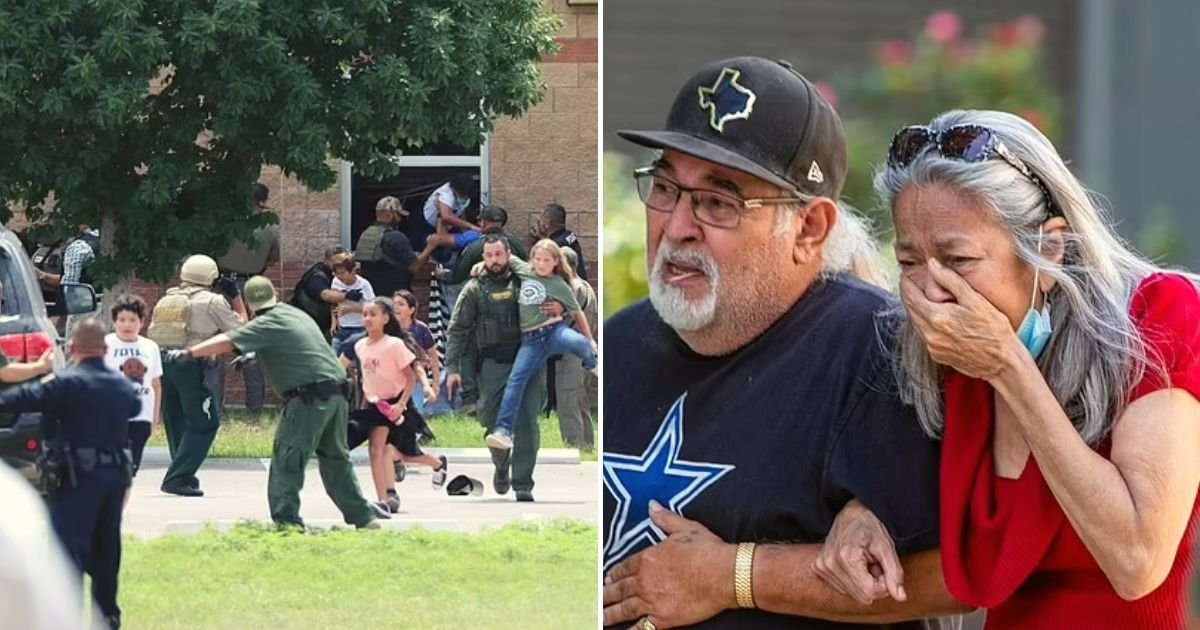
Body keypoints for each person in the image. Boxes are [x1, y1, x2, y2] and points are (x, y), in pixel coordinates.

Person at [601, 57, 965, 629]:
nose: (676, 227)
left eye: (718, 202)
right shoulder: (619, 343)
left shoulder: (880, 349)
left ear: (810, 229)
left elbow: (952, 577)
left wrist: (733, 575)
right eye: (666, 187)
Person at [812, 110, 1200, 628]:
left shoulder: (1160, 317)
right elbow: (909, 498)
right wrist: (863, 510)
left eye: (959, 260)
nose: (932, 291)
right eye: (909, 262)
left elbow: (1136, 560)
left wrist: (1009, 368)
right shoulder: (944, 362)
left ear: (1049, 249)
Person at [168, 275, 387, 528]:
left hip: (308, 398)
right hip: (337, 395)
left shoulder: (267, 322)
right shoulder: (295, 315)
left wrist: (187, 353)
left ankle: (287, 523)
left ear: (250, 305)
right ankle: (363, 518)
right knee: (336, 460)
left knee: (288, 458)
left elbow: (230, 339)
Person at [0, 318, 140, 629]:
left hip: (76, 478)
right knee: (107, 554)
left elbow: (19, 400)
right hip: (114, 479)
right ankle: (108, 618)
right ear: (105, 350)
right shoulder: (122, 386)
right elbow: (131, 411)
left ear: (73, 348)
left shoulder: (65, 384)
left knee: (67, 554)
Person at [446, 237, 564, 503]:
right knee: (490, 420)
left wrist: (559, 306)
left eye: (499, 254)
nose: (494, 260)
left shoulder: (526, 282)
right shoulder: (474, 289)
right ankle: (501, 465)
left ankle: (523, 483)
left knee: (526, 423)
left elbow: (556, 290)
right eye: (488, 255)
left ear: (509, 255)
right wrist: (452, 367)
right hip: (492, 364)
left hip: (529, 360)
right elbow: (457, 330)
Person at [480, 239, 597, 450]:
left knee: (579, 343)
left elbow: (577, 313)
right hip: (531, 340)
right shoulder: (526, 271)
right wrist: (481, 265)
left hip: (553, 330)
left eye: (546, 260)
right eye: (538, 259)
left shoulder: (561, 285)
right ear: (532, 259)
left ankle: (593, 363)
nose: (541, 263)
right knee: (516, 381)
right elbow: (505, 256)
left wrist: (590, 341)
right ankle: (504, 431)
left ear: (556, 262)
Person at [147, 254, 243, 497]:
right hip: (190, 365)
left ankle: (184, 475)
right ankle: (177, 477)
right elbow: (241, 332)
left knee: (176, 421)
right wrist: (237, 297)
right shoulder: (213, 301)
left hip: (162, 362)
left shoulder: (167, 299)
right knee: (204, 422)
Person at [339, 298, 444, 512]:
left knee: (403, 453)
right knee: (377, 450)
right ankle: (385, 499)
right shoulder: (358, 345)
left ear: (386, 319)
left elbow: (410, 376)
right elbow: (339, 367)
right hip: (373, 407)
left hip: (396, 405)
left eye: (373, 314)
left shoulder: (395, 344)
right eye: (365, 314)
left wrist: (403, 403)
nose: (367, 318)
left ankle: (437, 463)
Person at [210, 182, 279, 412]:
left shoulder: (226, 224)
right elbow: (273, 258)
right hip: (254, 287)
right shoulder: (269, 226)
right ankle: (256, 409)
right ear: (262, 200)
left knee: (215, 346)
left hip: (222, 284)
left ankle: (215, 406)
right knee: (253, 346)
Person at [104, 294, 162, 477]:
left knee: (130, 470)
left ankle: (118, 502)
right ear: (114, 321)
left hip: (141, 417)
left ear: (142, 322)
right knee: (112, 467)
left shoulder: (150, 347)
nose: (127, 325)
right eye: (122, 320)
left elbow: (156, 384)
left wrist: (154, 418)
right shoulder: (105, 345)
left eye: (132, 320)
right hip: (112, 417)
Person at [556, 247, 597, 450]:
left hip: (571, 354)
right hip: (586, 351)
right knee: (581, 402)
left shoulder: (571, 287)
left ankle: (573, 447)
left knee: (567, 403)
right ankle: (588, 445)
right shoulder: (587, 288)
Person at [355, 196, 437, 298]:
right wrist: (430, 247)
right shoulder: (396, 237)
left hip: (372, 297)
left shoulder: (366, 234)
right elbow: (415, 267)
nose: (400, 219)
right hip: (395, 298)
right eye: (398, 215)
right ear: (391, 215)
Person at [33, 223, 102, 336]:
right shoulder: (113, 240)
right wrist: (43, 275)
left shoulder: (78, 247)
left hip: (82, 311)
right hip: (106, 308)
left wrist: (59, 315)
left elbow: (69, 287)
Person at [289, 246, 352, 341]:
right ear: (328, 261)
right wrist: (348, 295)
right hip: (307, 324)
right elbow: (326, 295)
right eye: (338, 261)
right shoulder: (317, 276)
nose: (342, 265)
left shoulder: (339, 274)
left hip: (322, 323)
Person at [393, 289, 441, 414]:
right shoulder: (388, 330)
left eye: (401, 304)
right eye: (394, 304)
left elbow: (433, 356)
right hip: (393, 380)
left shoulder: (421, 329)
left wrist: (435, 383)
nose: (396, 308)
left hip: (416, 380)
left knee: (416, 414)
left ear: (412, 310)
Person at [329, 257, 374, 358]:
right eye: (337, 273)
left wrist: (351, 309)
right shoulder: (336, 281)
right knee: (334, 356)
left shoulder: (364, 284)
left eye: (343, 273)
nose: (340, 277)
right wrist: (334, 321)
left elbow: (372, 308)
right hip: (342, 327)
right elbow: (334, 302)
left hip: (359, 327)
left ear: (353, 271)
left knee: (351, 358)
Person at [533, 202, 589, 282]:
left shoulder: (556, 246)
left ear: (547, 223)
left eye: (541, 218)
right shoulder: (569, 235)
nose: (538, 221)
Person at [423, 172, 479, 237]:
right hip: (427, 224)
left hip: (448, 226)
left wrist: (466, 234)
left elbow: (461, 214)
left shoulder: (464, 197)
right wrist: (471, 226)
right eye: (464, 195)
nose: (465, 198)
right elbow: (446, 217)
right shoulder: (446, 193)